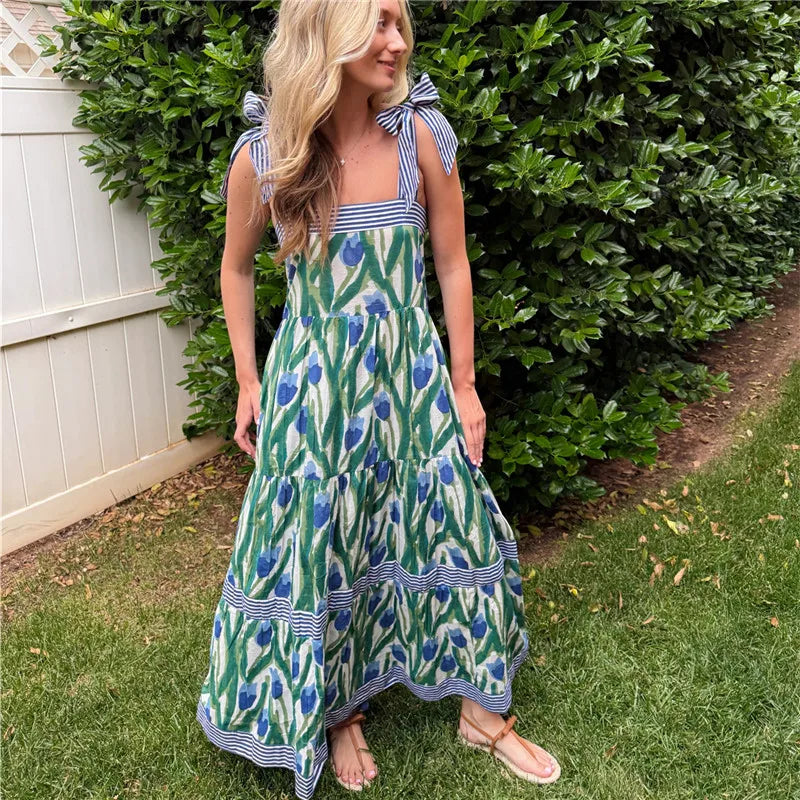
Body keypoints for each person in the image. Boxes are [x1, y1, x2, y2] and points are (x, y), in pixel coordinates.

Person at [196, 0, 561, 796]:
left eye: (401, 23)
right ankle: (336, 715)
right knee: (326, 540)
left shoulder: (419, 139)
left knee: (457, 524)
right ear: (327, 34)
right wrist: (249, 379)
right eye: (380, 22)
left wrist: (464, 385)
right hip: (314, 388)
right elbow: (233, 268)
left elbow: (453, 264)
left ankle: (481, 711)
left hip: (411, 377)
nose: (398, 42)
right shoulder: (267, 154)